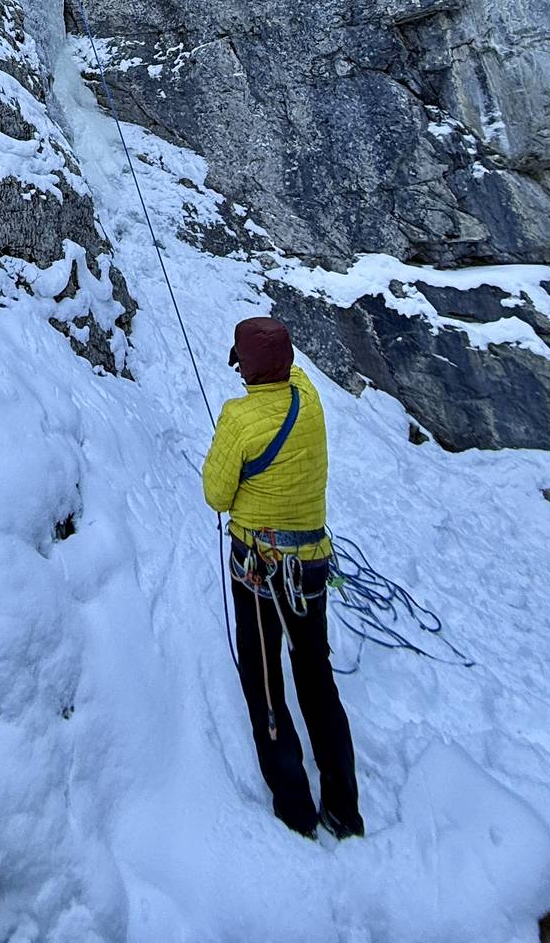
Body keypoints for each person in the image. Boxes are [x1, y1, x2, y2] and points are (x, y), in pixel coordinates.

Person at [202, 316, 363, 841]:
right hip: (311, 564)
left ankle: (295, 808)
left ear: (245, 368)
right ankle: (344, 809)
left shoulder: (239, 418)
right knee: (316, 675)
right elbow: (289, 376)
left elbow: (216, 495)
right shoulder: (308, 398)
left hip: (259, 566)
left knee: (265, 677)